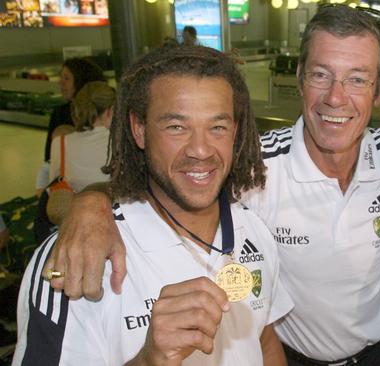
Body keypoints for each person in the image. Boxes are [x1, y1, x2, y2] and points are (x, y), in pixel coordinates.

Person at [45, 5, 380, 365]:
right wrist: (91, 205)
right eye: (321, 75)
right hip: (292, 356)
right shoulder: (251, 166)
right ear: (299, 79)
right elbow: (170, 174)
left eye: (357, 79)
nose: (337, 99)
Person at [13, 45, 292, 365]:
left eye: (217, 126)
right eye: (176, 127)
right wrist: (148, 360)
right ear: (139, 129)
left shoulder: (252, 228)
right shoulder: (78, 257)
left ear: (235, 132)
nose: (200, 149)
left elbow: (264, 340)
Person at [46, 81, 115, 225]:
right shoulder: (124, 140)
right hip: (119, 220)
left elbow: (52, 189)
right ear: (110, 110)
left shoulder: (60, 143)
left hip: (80, 222)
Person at [36, 58, 106, 196]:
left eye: (66, 78)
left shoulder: (104, 114)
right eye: (60, 77)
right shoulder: (60, 114)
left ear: (81, 81)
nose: (60, 82)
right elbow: (49, 160)